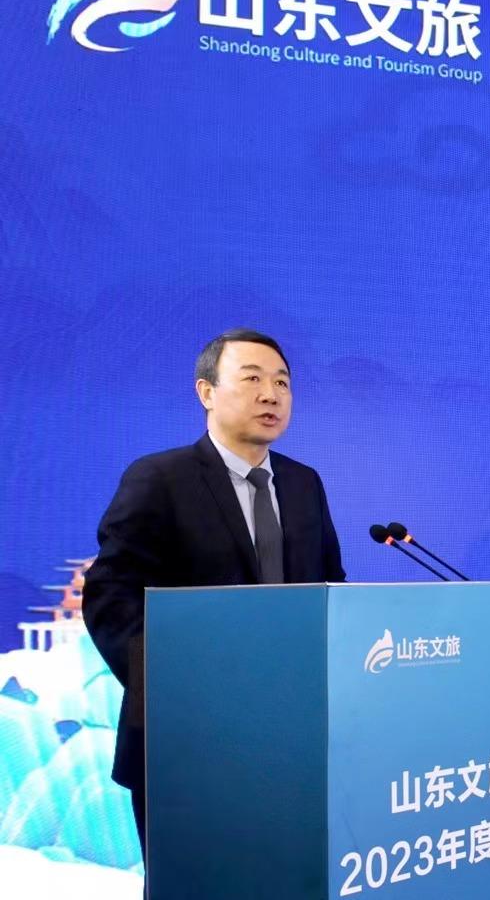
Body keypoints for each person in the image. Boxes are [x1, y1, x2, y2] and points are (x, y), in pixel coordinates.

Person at [82, 328, 345, 875]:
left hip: (292, 738)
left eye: (282, 383)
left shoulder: (304, 484)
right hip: (189, 743)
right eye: (252, 379)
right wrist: (175, 686)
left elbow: (332, 588)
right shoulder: (160, 478)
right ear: (206, 391)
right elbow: (110, 596)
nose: (271, 394)